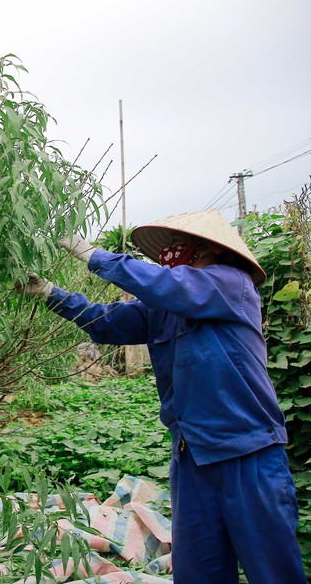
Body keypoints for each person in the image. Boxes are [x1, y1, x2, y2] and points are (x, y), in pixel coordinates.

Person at [16, 209, 305, 583]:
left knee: (273, 569)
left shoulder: (230, 284)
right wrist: (52, 294)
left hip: (246, 453)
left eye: (182, 249)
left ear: (209, 250)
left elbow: (168, 285)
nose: (171, 255)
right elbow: (105, 322)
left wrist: (93, 255)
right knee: (199, 569)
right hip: (192, 455)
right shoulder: (164, 310)